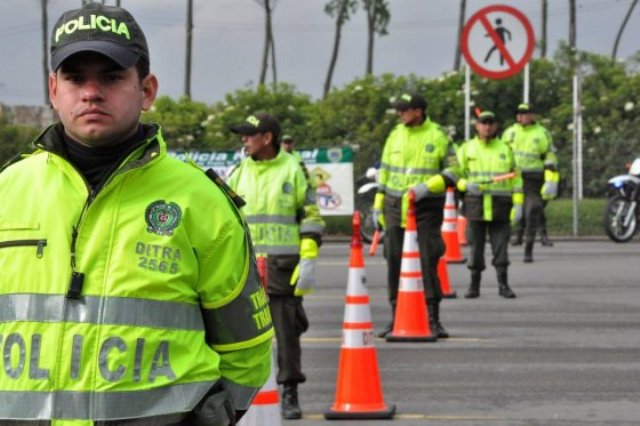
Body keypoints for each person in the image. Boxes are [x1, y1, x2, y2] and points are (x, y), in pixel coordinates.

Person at [0, 3, 273, 425]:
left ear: (147, 91)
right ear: (54, 90)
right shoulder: (8, 190)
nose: (91, 92)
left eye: (111, 77)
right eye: (75, 78)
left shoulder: (200, 200)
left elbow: (247, 352)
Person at [228, 112, 325, 420]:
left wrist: (309, 251)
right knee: (238, 335)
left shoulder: (294, 169)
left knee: (286, 333)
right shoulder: (239, 171)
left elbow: (309, 213)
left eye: (249, 134)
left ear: (266, 138)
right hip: (245, 271)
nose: (244, 140)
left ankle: (290, 392)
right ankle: (238, 394)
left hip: (283, 268)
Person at [373, 92, 457, 339]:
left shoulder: (438, 135)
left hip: (425, 207)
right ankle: (397, 315)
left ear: (418, 111)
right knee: (394, 260)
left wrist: (427, 187)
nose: (399, 114)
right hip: (394, 206)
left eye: (404, 110)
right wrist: (378, 205)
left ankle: (432, 318)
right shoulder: (395, 135)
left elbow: (454, 172)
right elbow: (384, 173)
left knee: (427, 259)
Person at [456, 111, 523, 299]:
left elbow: (516, 178)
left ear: (496, 126)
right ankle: (474, 285)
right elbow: (455, 175)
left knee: (501, 248)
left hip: (500, 207)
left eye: (490, 123)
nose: (487, 127)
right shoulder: (467, 149)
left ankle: (503, 285)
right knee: (475, 248)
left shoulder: (505, 149)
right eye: (483, 123)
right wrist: (465, 185)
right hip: (475, 206)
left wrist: (518, 204)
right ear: (477, 126)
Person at [503, 103, 558, 262]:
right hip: (513, 178)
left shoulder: (542, 133)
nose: (521, 116)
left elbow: (550, 154)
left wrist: (550, 175)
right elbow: (501, 152)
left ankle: (529, 248)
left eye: (525, 113)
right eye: (519, 113)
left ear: (533, 115)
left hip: (533, 177)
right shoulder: (510, 132)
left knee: (532, 211)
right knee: (514, 212)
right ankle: (514, 235)